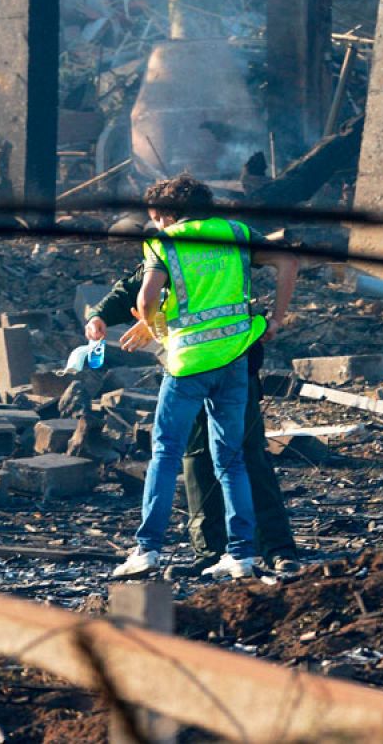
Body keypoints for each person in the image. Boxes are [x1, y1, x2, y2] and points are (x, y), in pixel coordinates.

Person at [112, 174, 298, 581]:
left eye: (156, 219)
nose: (155, 226)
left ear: (166, 215)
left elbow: (145, 299)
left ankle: (147, 550)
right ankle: (241, 555)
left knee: (164, 454)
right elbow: (288, 261)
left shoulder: (165, 242)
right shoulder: (235, 232)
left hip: (188, 364)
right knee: (231, 460)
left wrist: (153, 325)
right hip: (235, 358)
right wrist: (277, 319)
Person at [85, 265, 302, 575]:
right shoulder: (168, 252)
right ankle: (212, 553)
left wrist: (276, 319)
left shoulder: (224, 240)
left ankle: (276, 549)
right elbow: (129, 290)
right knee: (198, 458)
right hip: (189, 367)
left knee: (243, 455)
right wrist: (99, 317)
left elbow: (286, 260)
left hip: (228, 364)